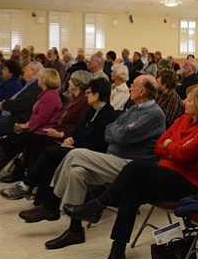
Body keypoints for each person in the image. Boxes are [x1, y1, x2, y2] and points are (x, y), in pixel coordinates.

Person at [63, 84, 198, 259]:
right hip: (166, 174)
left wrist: (172, 147)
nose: (184, 102)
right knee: (131, 193)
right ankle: (117, 251)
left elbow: (182, 155)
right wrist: (174, 147)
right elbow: (159, 145)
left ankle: (97, 205)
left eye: (189, 100)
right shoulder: (183, 120)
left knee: (134, 168)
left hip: (187, 183)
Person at [34, 75, 165, 246]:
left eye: (133, 85)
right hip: (113, 161)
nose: (130, 87)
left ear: (142, 91)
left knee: (74, 154)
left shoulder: (154, 114)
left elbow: (122, 136)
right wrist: (118, 131)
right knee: (77, 173)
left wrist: (118, 131)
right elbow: (109, 131)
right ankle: (75, 231)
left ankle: (51, 204)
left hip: (131, 167)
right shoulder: (135, 109)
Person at [0, 78, 117, 204]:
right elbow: (79, 130)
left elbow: (97, 142)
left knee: (50, 152)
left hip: (89, 152)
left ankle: (27, 185)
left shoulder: (108, 115)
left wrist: (72, 141)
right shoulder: (92, 110)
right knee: (38, 143)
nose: (86, 95)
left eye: (89, 92)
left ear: (97, 95)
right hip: (76, 144)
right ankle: (39, 197)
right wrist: (72, 138)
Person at [0, 68, 64, 185]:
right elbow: (36, 116)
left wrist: (25, 126)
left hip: (40, 132)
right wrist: (26, 125)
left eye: (40, 78)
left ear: (45, 80)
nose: (38, 80)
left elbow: (41, 119)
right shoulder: (45, 94)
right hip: (35, 129)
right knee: (7, 141)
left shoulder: (50, 97)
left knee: (11, 143)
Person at [0, 62, 43, 158]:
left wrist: (4, 105)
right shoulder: (30, 84)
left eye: (26, 69)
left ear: (33, 72)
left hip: (19, 119)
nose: (23, 71)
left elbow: (21, 103)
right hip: (14, 114)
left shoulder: (35, 86)